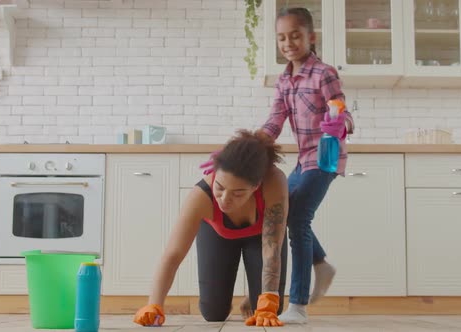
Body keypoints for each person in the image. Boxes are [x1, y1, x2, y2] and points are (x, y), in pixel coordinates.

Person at [201, 7, 355, 324]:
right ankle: (322, 265)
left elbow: (346, 116)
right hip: (303, 159)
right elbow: (274, 123)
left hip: (325, 157)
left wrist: (338, 120)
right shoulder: (284, 80)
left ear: (310, 38)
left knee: (297, 220)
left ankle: (297, 305)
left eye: (295, 35)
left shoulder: (324, 73)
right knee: (287, 215)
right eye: (282, 37)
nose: (288, 43)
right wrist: (237, 149)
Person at [134, 130, 289, 328]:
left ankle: (254, 295)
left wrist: (267, 303)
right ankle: (250, 293)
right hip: (218, 236)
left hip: (263, 239)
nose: (224, 200)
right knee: (213, 313)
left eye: (238, 193)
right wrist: (154, 305)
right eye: (220, 187)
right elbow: (172, 255)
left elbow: (272, 248)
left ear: (256, 186)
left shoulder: (274, 182)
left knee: (272, 311)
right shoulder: (201, 196)